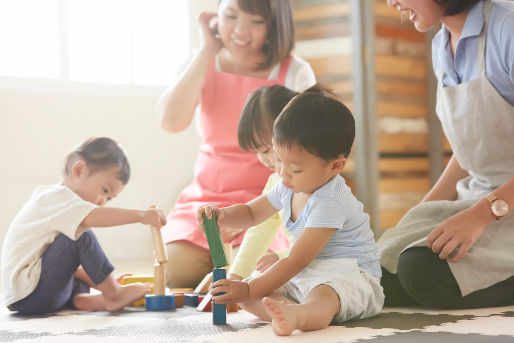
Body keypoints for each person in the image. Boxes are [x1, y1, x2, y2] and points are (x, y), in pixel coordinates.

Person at [156, 0, 316, 288]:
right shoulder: (202, 61)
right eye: (230, 16)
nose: (240, 31)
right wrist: (207, 50)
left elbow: (307, 147)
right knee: (177, 271)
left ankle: (228, 269)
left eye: (256, 21)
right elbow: (170, 121)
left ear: (274, 25)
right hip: (207, 196)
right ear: (216, 17)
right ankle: (222, 265)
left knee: (262, 270)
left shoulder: (294, 71)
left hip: (267, 199)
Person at [197, 91, 384, 336]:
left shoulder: (330, 200)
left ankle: (302, 314)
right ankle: (288, 310)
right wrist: (224, 215)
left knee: (322, 295)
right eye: (278, 160)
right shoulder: (288, 185)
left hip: (350, 276)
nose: (283, 174)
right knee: (248, 295)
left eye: (295, 168)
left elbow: (297, 260)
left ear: (335, 166)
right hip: (308, 272)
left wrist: (249, 288)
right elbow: (252, 213)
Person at [378, 0, 514, 309]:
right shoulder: (441, 45)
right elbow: (470, 150)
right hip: (478, 200)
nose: (391, 2)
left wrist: (481, 216)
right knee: (380, 269)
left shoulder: (509, 29)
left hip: (500, 206)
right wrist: (421, 213)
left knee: (420, 271)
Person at [1, 137, 167, 315]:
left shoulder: (54, 203)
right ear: (79, 170)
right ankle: (114, 295)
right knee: (80, 236)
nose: (103, 202)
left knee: (77, 250)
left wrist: (103, 279)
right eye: (104, 191)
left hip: (29, 296)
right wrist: (142, 216)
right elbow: (94, 217)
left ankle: (81, 300)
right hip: (32, 294)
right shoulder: (59, 198)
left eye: (109, 198)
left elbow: (62, 264)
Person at [229, 84, 335, 281]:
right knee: (252, 291)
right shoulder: (275, 183)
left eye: (267, 150)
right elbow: (259, 228)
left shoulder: (320, 184)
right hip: (297, 268)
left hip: (331, 271)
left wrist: (281, 258)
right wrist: (236, 275)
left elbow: (323, 246)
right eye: (258, 152)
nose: (264, 159)